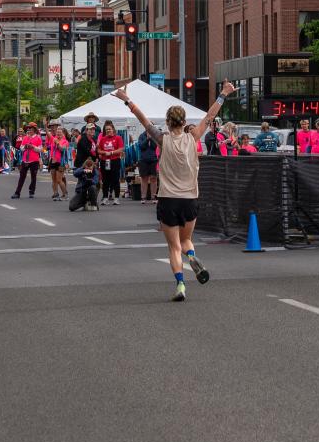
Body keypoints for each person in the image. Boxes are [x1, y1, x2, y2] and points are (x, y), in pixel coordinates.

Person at [115, 80, 236, 302]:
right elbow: (210, 116)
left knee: (173, 246)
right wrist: (223, 94)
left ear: (168, 122)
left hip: (168, 199)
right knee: (186, 240)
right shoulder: (193, 137)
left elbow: (143, 119)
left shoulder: (162, 140)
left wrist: (127, 100)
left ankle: (180, 284)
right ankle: (192, 256)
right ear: (184, 122)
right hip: (190, 198)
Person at [96, 120, 126, 204]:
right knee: (105, 180)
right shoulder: (102, 139)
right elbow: (99, 150)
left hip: (115, 160)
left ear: (113, 129)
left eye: (109, 129)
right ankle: (105, 197)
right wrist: (104, 152)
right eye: (106, 129)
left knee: (115, 179)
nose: (108, 131)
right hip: (104, 161)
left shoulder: (118, 138)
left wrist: (112, 152)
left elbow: (121, 149)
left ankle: (116, 198)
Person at [12, 121, 43, 198]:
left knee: (33, 177)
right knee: (22, 177)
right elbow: (21, 148)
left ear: (34, 130)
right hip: (25, 159)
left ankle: (31, 191)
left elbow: (40, 149)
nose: (29, 130)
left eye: (31, 129)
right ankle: (17, 193)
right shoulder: (25, 137)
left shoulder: (38, 138)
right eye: (29, 129)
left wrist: (33, 147)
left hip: (34, 160)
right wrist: (25, 147)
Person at [137, 126, 159, 202]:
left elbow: (155, 146)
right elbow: (141, 146)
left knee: (154, 178)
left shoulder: (155, 136)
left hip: (154, 159)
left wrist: (151, 138)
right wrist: (147, 139)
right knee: (144, 178)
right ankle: (143, 197)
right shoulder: (141, 136)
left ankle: (153, 197)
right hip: (143, 160)